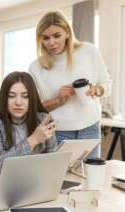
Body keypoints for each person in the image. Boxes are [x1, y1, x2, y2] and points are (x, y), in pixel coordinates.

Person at [28, 11, 112, 158]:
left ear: (67, 32)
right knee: (62, 179)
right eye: (45, 38)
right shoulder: (36, 67)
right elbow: (36, 109)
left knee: (90, 177)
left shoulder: (89, 51)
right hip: (59, 132)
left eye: (57, 35)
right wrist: (58, 99)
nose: (51, 42)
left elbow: (106, 83)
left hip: (90, 126)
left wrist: (96, 90)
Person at [0, 72, 57, 174]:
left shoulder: (42, 119)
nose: (18, 102)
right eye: (11, 96)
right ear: (4, 98)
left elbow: (53, 161)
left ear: (32, 98)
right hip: (3, 183)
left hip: (36, 180)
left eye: (25, 96)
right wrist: (33, 139)